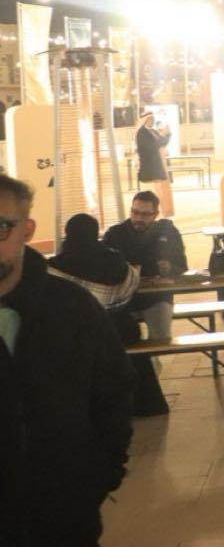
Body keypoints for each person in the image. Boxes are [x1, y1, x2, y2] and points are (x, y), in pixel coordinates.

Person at [0, 176, 135, 546]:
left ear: (27, 230)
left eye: (1, 227)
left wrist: (101, 474)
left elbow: (113, 391)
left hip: (65, 518)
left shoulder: (72, 309)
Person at [51, 213, 169, 418]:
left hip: (76, 335)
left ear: (68, 234)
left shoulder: (54, 267)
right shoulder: (115, 259)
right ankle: (145, 404)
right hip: (120, 331)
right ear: (95, 233)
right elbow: (131, 287)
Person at [103, 190, 187, 341]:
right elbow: (104, 269)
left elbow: (182, 267)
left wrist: (170, 268)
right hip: (123, 300)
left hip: (157, 298)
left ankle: (155, 355)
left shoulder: (168, 232)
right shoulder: (115, 234)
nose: (138, 218)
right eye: (135, 212)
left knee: (161, 338)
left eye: (145, 214)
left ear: (156, 214)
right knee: (116, 339)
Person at [136, 111, 174, 216]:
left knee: (160, 191)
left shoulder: (153, 131)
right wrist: (163, 135)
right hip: (149, 168)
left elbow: (162, 143)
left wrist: (167, 134)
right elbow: (153, 146)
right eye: (149, 119)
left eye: (152, 119)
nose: (151, 121)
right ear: (144, 120)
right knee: (152, 194)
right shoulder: (141, 132)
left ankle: (162, 212)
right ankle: (153, 213)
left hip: (157, 166)